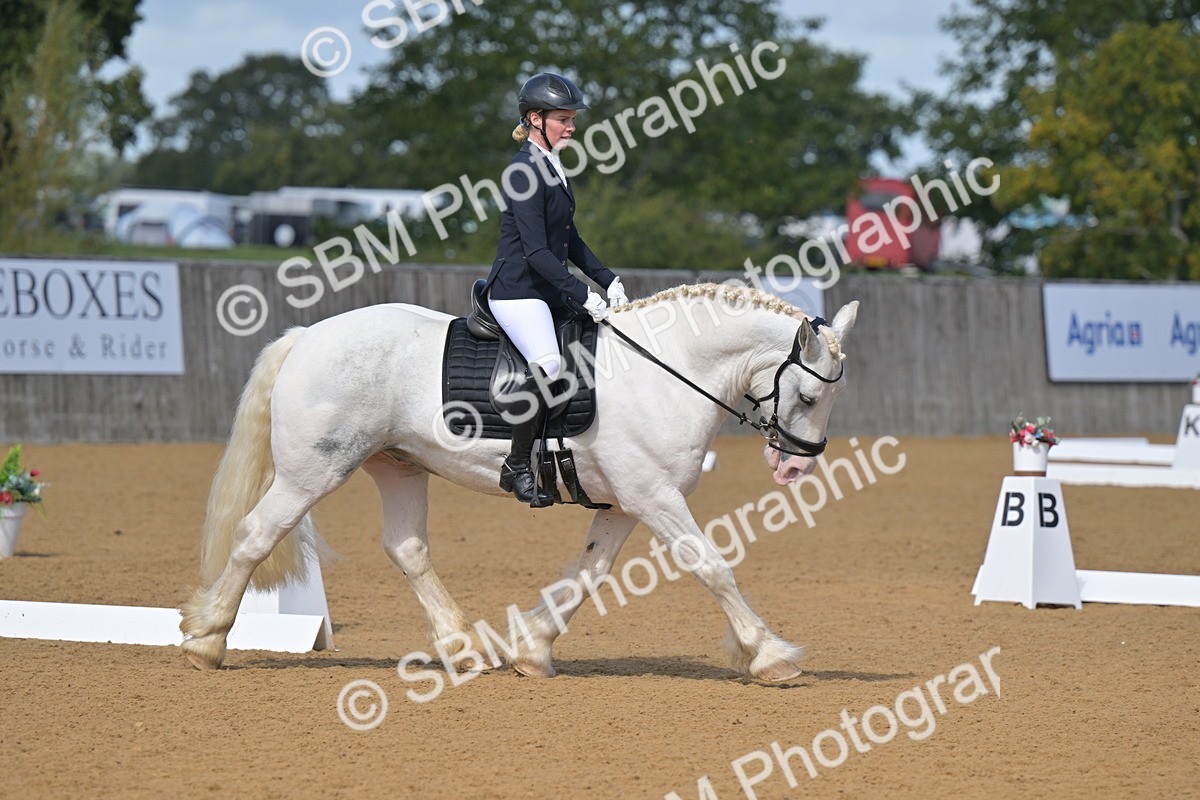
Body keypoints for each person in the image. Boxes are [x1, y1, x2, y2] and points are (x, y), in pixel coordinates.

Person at [482, 72, 628, 503]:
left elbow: (570, 240)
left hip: (546, 289)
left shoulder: (552, 165)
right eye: (563, 119)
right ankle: (516, 465)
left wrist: (608, 279)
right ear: (535, 119)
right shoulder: (522, 171)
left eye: (571, 119)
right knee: (548, 366)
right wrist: (582, 293)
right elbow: (536, 252)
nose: (571, 127)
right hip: (518, 290)